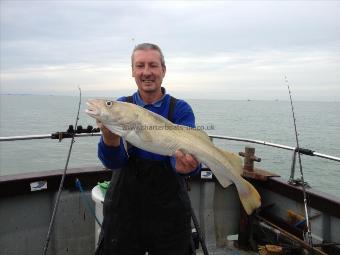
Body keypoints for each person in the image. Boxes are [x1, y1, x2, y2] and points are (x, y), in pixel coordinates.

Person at [95, 43, 200, 255]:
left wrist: (185, 167)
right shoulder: (122, 106)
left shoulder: (179, 109)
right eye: (140, 66)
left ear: (163, 70)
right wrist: (110, 140)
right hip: (125, 209)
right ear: (132, 71)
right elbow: (113, 163)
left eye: (153, 65)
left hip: (168, 209)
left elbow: (187, 163)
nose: (146, 72)